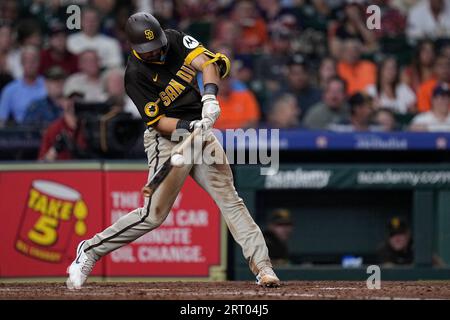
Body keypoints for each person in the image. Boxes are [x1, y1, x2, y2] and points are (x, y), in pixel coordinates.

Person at [66, 12, 280, 289]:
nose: (156, 50)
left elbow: (209, 64)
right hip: (167, 138)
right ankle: (90, 250)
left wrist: (210, 98)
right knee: (153, 215)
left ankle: (263, 267)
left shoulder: (175, 40)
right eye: (149, 48)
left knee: (230, 199)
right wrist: (190, 125)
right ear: (135, 47)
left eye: (157, 43)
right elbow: (159, 122)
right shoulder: (135, 75)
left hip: (200, 131)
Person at [38, 84, 87, 161]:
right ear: (62, 102)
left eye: (78, 99)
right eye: (70, 99)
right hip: (61, 171)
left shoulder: (90, 127)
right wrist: (54, 150)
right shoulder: (54, 128)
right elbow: (41, 163)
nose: (74, 103)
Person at [0, 46, 47, 127]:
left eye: (33, 61)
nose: (30, 64)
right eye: (27, 61)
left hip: (45, 131)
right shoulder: (10, 90)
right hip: (20, 135)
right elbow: (2, 120)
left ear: (39, 62)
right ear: (21, 63)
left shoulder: (48, 85)